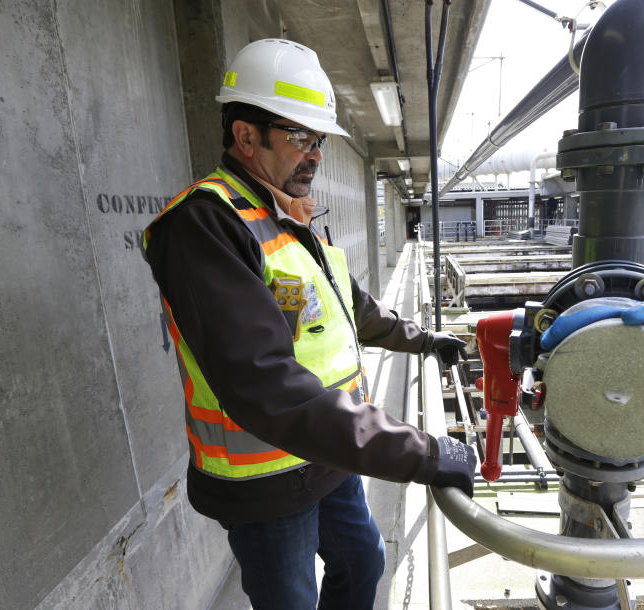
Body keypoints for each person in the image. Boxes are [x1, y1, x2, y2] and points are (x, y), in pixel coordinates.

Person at [142, 39, 476, 610]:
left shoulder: (289, 217)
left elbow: (354, 313)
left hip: (328, 456)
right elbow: (263, 384)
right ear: (246, 137)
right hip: (266, 479)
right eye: (300, 137)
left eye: (318, 140)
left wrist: (425, 340)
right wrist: (419, 452)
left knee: (363, 563)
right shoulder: (205, 226)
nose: (315, 155)